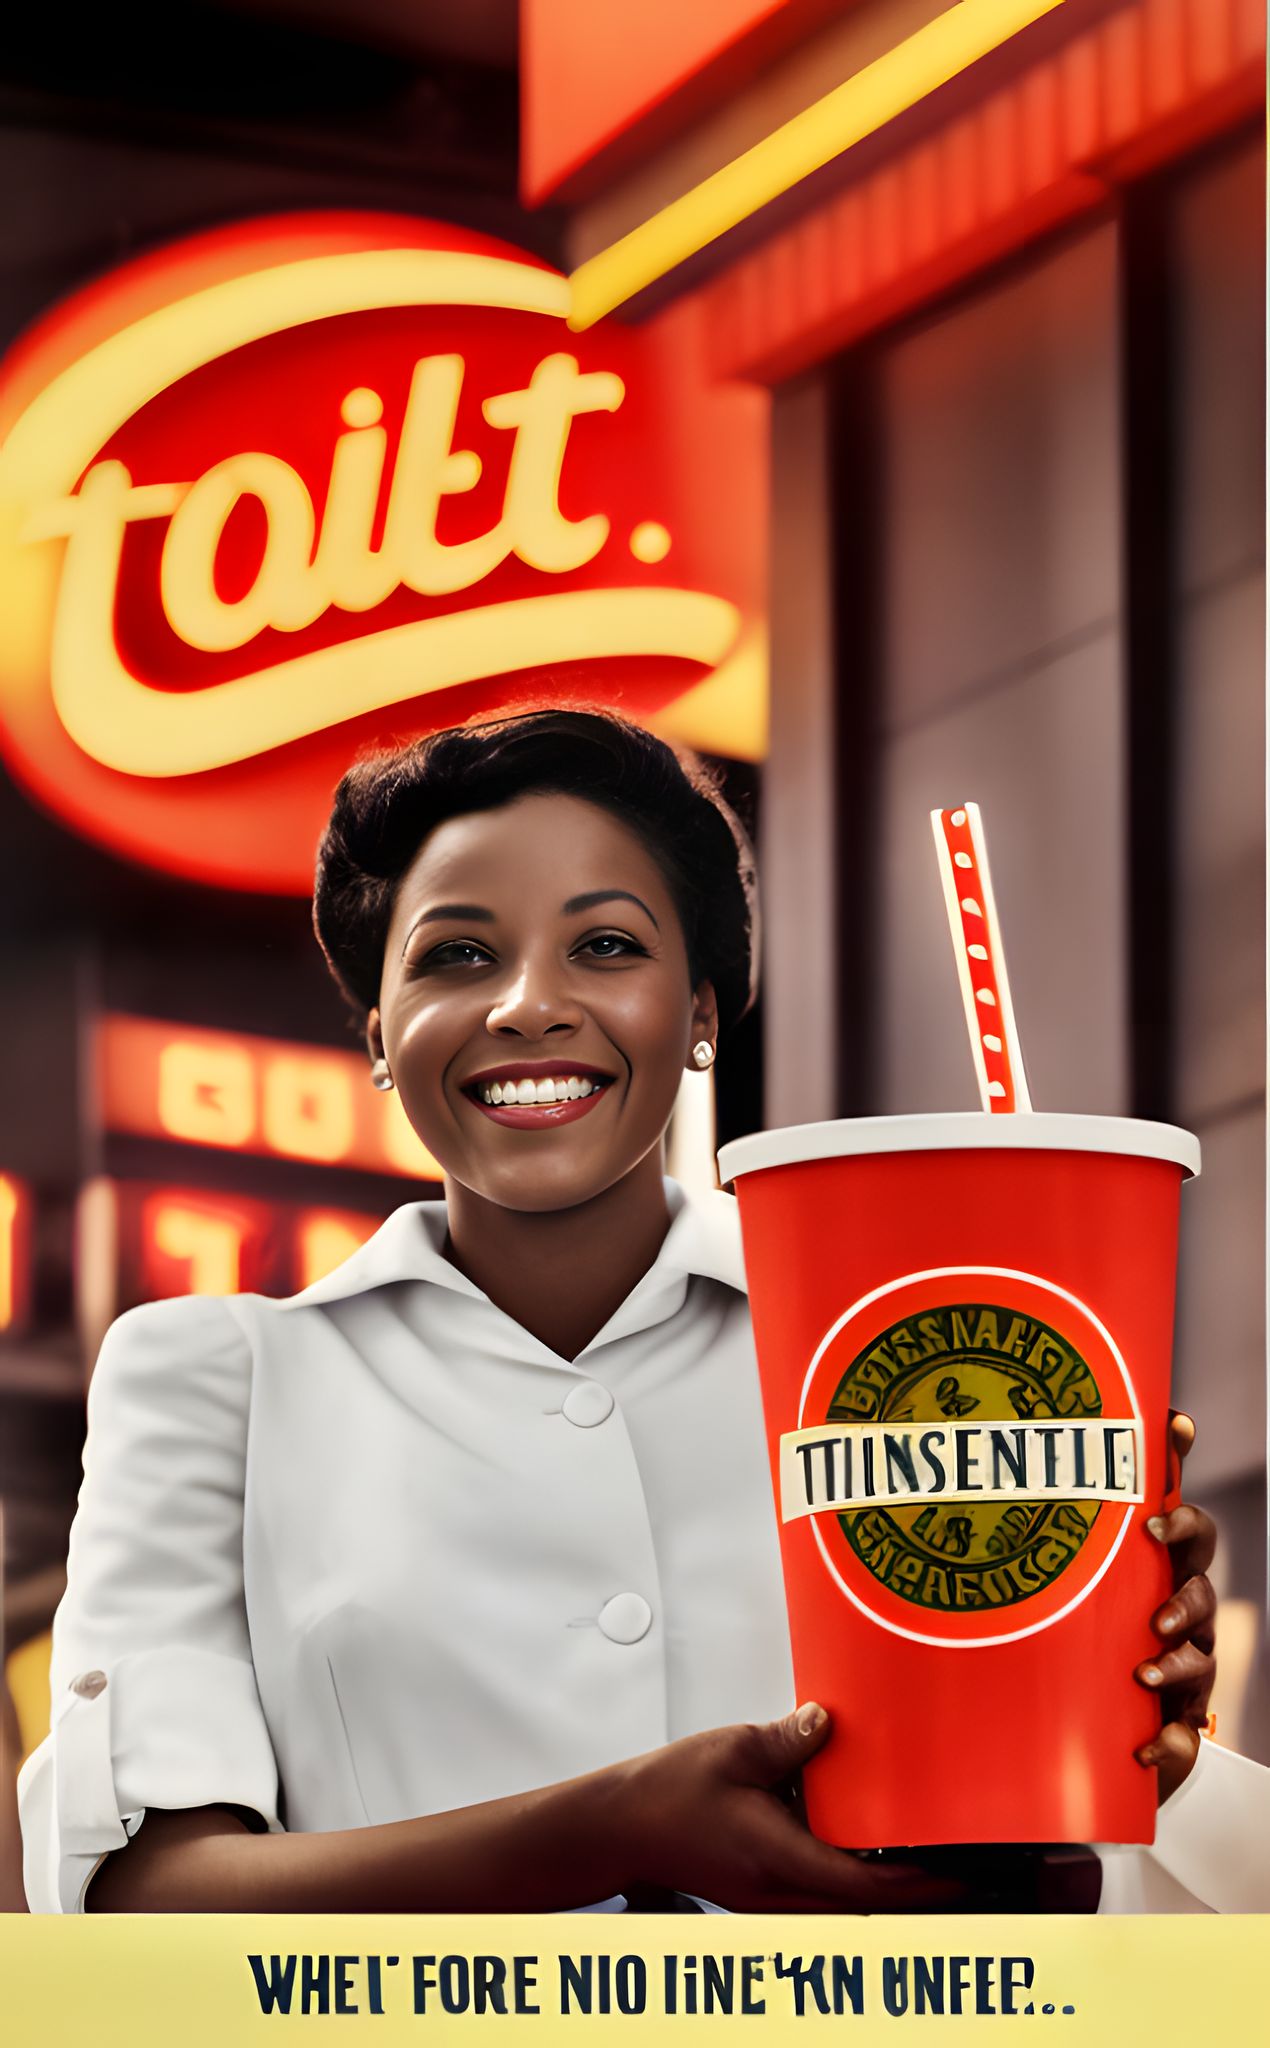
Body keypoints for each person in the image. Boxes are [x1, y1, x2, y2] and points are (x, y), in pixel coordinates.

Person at [16, 707, 1262, 1914]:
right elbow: (144, 1898)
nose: (526, 1003)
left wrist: (1120, 1702)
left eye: (605, 945)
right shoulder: (214, 1379)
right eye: (456, 953)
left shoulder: (895, 1352)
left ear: (704, 1012)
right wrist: (604, 1828)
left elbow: (1037, 1882)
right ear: (380, 1034)